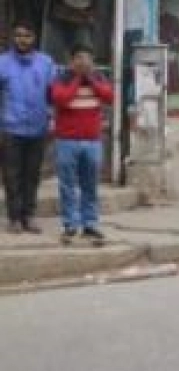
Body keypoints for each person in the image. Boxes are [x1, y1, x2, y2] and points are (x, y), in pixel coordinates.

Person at [49, 43, 113, 247]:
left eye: (87, 59)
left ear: (93, 62)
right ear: (72, 61)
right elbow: (61, 99)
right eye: (79, 58)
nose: (84, 62)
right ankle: (70, 224)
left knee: (90, 185)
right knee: (67, 185)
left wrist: (90, 80)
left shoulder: (99, 78)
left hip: (92, 141)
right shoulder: (62, 78)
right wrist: (78, 79)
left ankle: (90, 223)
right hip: (67, 141)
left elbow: (109, 97)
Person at [0, 23, 54, 234]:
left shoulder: (46, 62)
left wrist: (51, 118)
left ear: (34, 37)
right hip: (11, 128)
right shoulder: (3, 62)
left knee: (32, 175)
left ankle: (29, 216)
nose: (22, 39)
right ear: (13, 38)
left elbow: (53, 94)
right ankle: (14, 218)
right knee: (12, 176)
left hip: (38, 128)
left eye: (27, 35)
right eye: (18, 35)